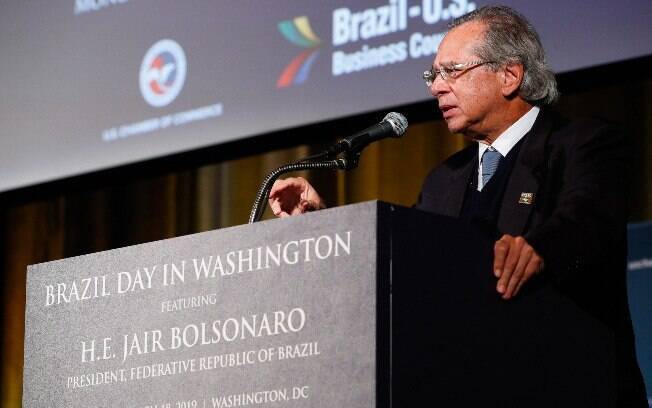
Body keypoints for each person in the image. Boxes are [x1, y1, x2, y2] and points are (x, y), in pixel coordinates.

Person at [268, 5, 647, 405]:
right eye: (434, 75)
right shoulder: (444, 180)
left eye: (452, 71)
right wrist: (322, 223)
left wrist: (539, 249)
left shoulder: (581, 144)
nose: (436, 87)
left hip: (570, 386)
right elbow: (401, 261)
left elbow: (588, 218)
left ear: (509, 75)